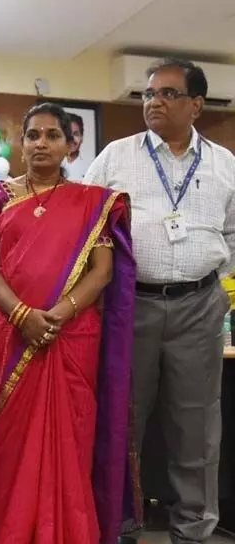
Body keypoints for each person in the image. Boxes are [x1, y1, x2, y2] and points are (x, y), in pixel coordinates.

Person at [0, 103, 139, 544]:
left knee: (70, 441)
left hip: (71, 336)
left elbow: (102, 272)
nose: (41, 143)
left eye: (51, 135)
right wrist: (22, 315)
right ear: (21, 143)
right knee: (8, 445)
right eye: (33, 135)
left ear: (70, 145)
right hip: (9, 333)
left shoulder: (92, 204)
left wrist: (57, 316)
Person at [85, 58, 235, 543]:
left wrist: (216, 286)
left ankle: (194, 529)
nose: (154, 102)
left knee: (197, 424)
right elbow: (86, 228)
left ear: (196, 104)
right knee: (124, 416)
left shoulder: (225, 164)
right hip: (131, 305)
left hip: (200, 305)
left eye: (168, 94)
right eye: (149, 94)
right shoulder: (114, 157)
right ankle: (119, 524)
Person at [62, 112, 88, 180]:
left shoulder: (90, 165)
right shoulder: (53, 164)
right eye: (67, 134)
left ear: (82, 137)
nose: (71, 139)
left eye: (75, 134)